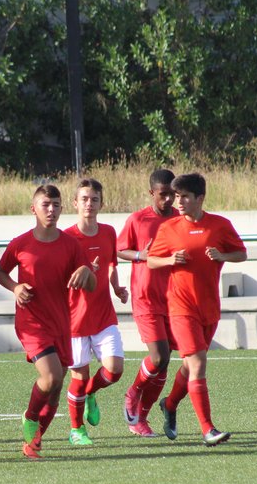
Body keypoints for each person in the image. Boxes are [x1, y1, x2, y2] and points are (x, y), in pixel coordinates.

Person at [0, 184, 95, 459]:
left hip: (61, 323)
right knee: (50, 377)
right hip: (31, 322)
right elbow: (0, 272)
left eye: (56, 205)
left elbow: (92, 284)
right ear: (34, 209)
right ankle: (30, 417)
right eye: (45, 205)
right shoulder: (20, 243)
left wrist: (86, 271)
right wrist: (15, 287)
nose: (51, 210)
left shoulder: (71, 245)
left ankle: (34, 442)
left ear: (62, 208)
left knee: (56, 387)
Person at [147, 172, 246, 446]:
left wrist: (222, 256)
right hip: (181, 307)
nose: (178, 202)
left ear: (200, 198)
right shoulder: (169, 228)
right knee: (199, 364)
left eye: (185, 197)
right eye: (176, 196)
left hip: (209, 308)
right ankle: (208, 429)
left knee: (190, 366)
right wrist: (169, 260)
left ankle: (169, 404)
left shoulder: (220, 225)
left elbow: (242, 253)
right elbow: (152, 261)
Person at [63, 179, 128, 446]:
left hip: (103, 315)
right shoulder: (66, 238)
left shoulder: (109, 232)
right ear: (75, 203)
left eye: (94, 199)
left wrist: (117, 288)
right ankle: (76, 430)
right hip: (74, 319)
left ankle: (91, 393)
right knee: (78, 378)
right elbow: (61, 278)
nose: (89, 204)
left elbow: (112, 264)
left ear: (102, 203)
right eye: (84, 199)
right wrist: (86, 270)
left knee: (114, 370)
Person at [116, 168, 178, 437]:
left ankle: (141, 417)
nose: (168, 199)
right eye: (163, 194)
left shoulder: (180, 218)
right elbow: (119, 249)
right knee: (159, 356)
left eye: (172, 194)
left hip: (174, 298)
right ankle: (133, 393)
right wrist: (141, 255)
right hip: (146, 298)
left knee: (165, 361)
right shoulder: (138, 219)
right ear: (151, 192)